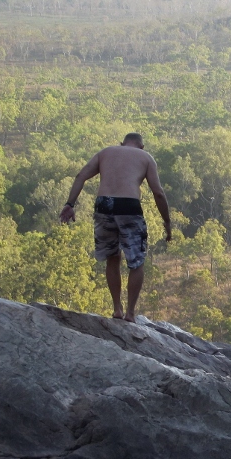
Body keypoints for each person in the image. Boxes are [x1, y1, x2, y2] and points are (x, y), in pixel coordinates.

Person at [59, 133, 172, 323]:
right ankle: (130, 313)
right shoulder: (146, 158)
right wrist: (167, 222)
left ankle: (117, 309)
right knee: (136, 261)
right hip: (129, 206)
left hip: (103, 204)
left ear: (123, 143)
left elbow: (81, 175)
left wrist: (70, 204)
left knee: (112, 257)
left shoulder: (106, 152)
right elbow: (158, 193)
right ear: (141, 146)